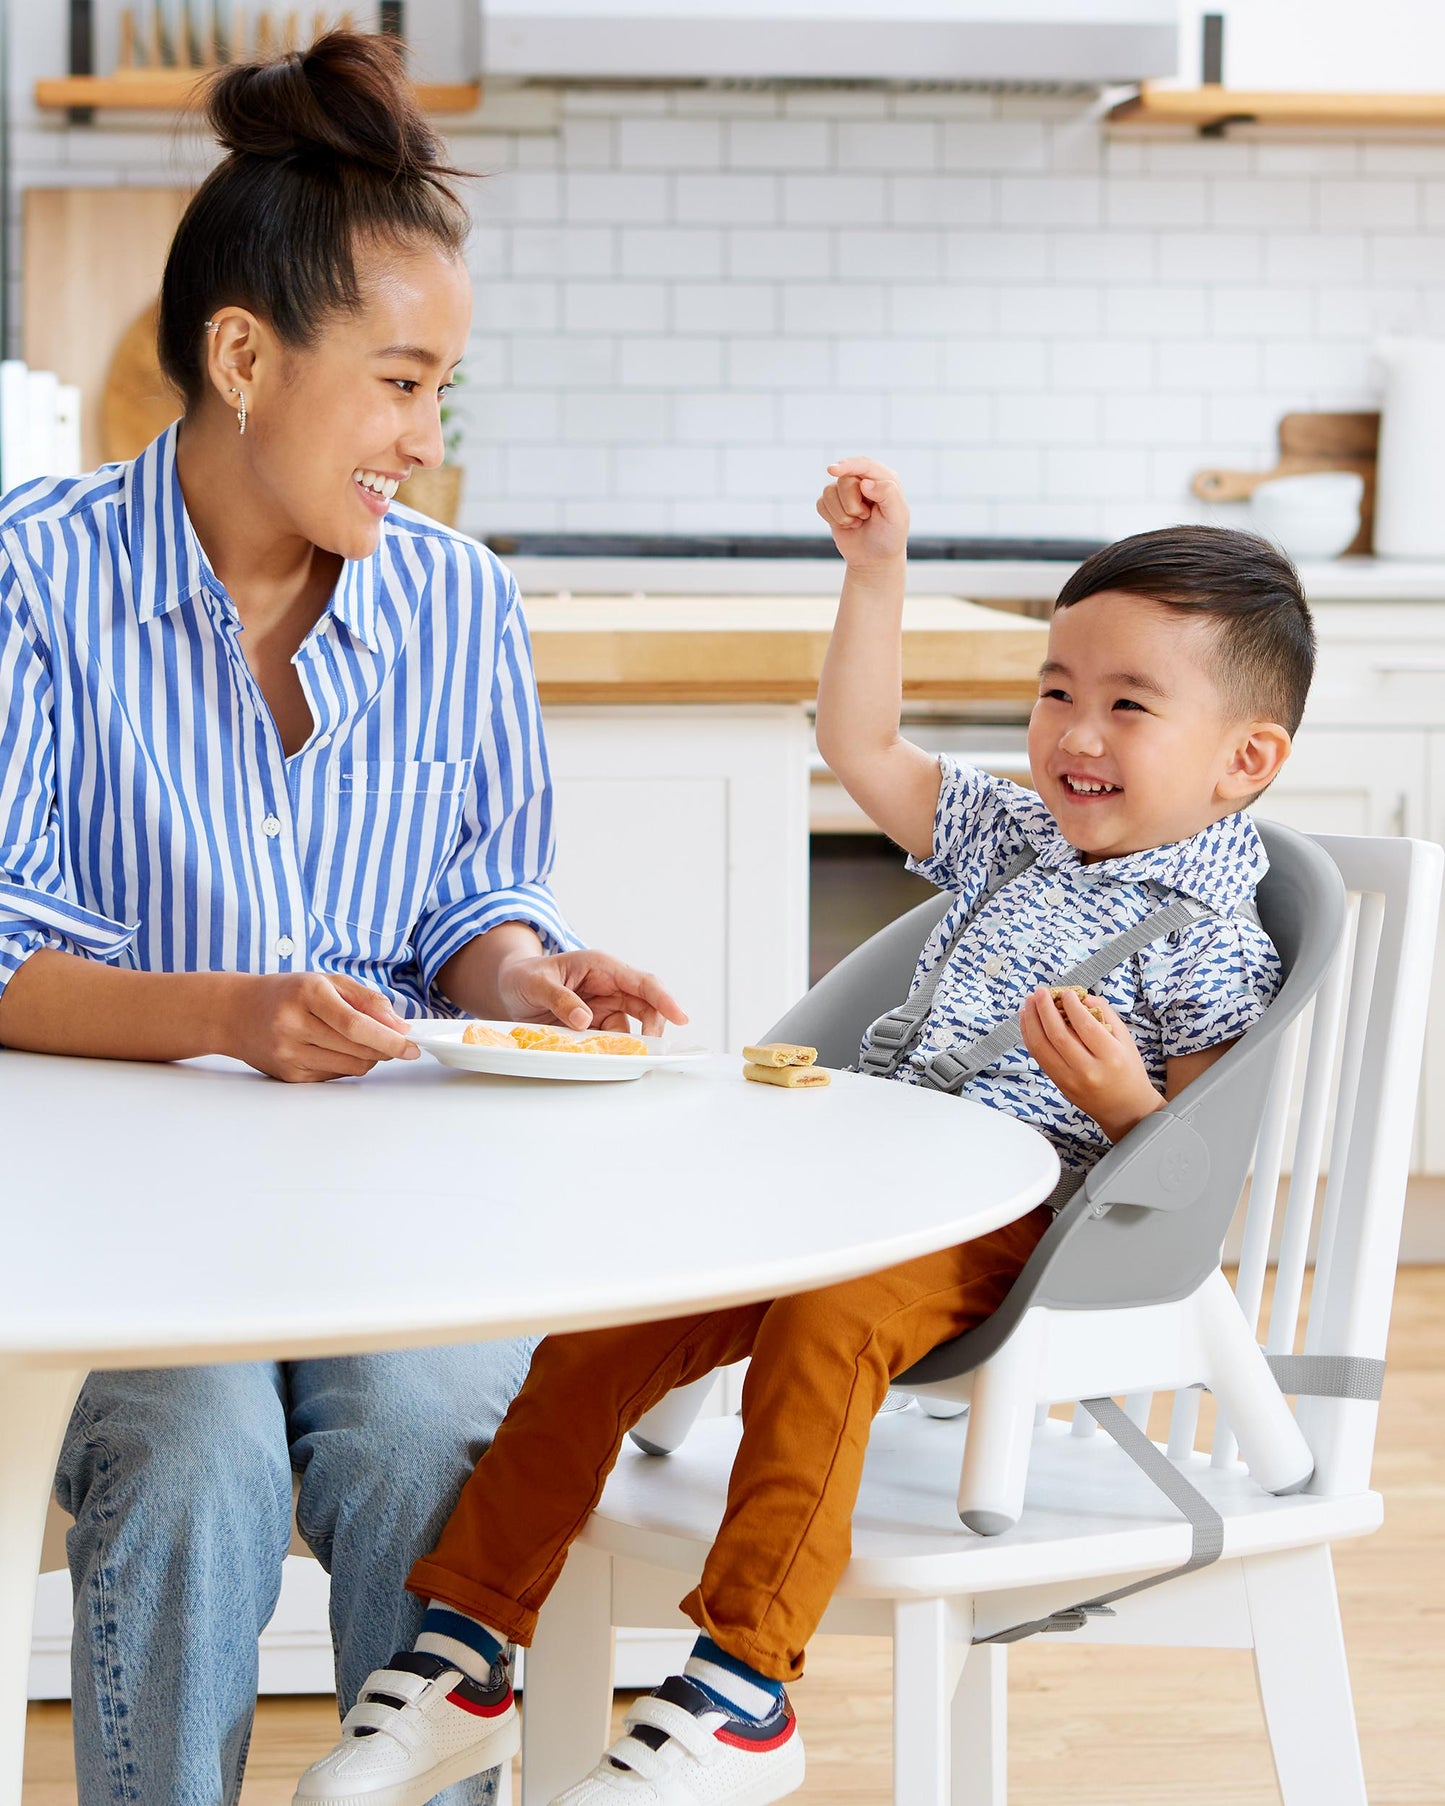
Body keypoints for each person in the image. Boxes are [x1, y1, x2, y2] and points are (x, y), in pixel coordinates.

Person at [290, 461, 1316, 1806]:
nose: (1074, 730)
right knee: (608, 1324)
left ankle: (744, 1688)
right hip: (857, 1174)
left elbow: (1190, 1164)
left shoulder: (1209, 935)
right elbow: (864, 748)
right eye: (1056, 690)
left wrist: (1124, 1097)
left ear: (1242, 758)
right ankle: (466, 1648)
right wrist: (874, 577)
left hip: (1004, 1219)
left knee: (827, 1327)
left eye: (1128, 705)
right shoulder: (1017, 834)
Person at [0, 32, 683, 1806]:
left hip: (390, 1216)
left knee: (428, 1443)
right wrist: (231, 1012)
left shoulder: (457, 604)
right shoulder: (36, 580)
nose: (422, 438)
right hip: (110, 1220)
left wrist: (529, 970)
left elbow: (472, 896)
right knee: (197, 1456)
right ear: (243, 356)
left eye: (440, 391)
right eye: (395, 383)